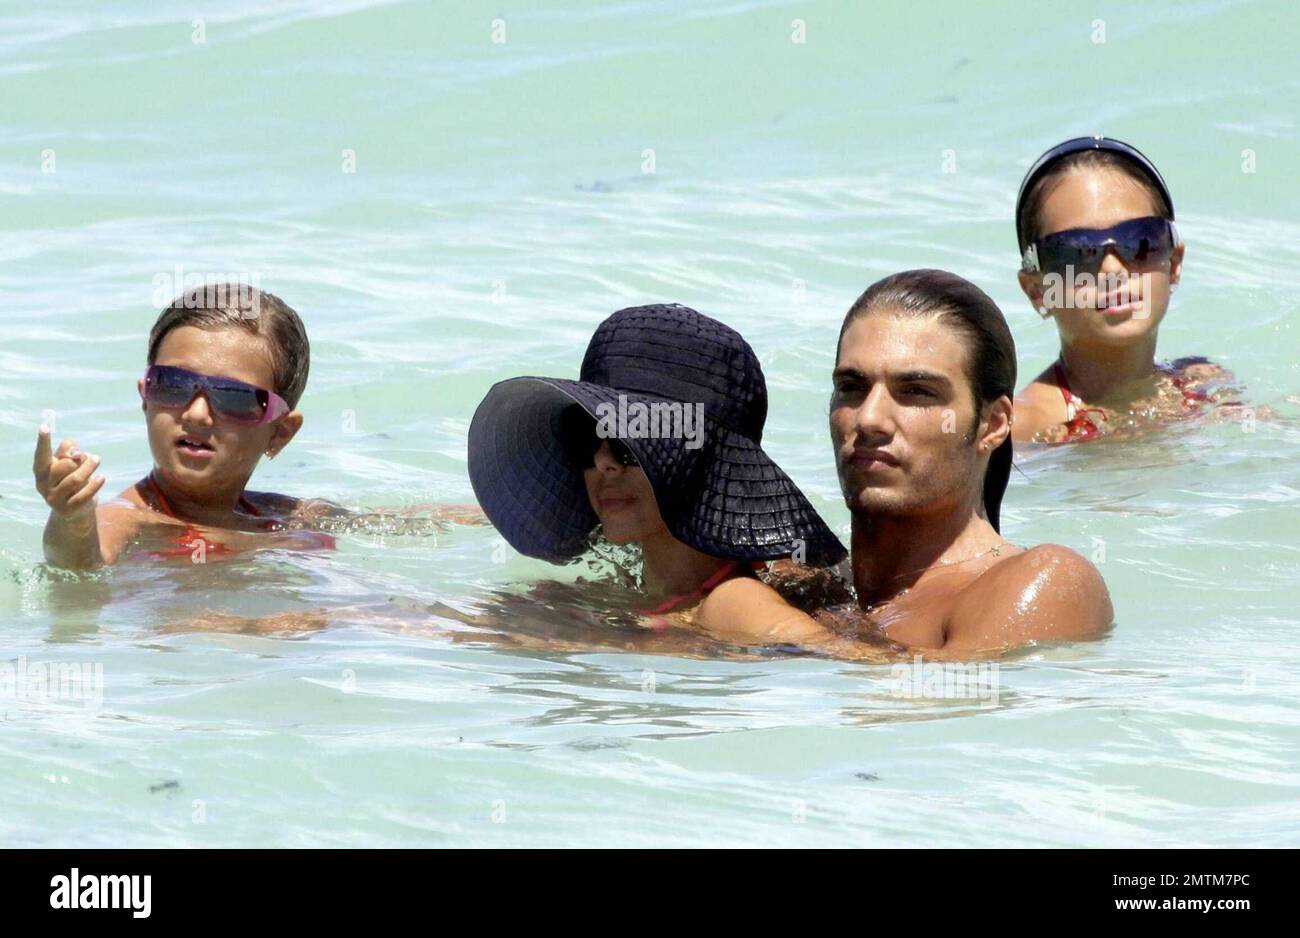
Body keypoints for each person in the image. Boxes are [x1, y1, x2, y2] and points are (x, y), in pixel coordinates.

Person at [702, 270, 1114, 654]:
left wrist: (782, 631)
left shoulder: (1043, 581)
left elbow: (940, 718)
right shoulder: (805, 586)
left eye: (916, 391)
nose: (869, 419)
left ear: (992, 424)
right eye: (852, 387)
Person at [466, 302, 848, 642]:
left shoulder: (732, 604)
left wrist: (643, 646)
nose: (603, 462)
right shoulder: (638, 586)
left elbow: (859, 666)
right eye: (585, 437)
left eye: (630, 441)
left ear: (702, 458)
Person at [33, 283, 339, 570]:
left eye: (234, 397)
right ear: (145, 397)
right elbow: (81, 562)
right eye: (173, 385)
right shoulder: (132, 520)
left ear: (280, 433)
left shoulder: (287, 516)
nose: (197, 414)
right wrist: (72, 519)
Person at [1010, 136, 1233, 444]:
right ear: (1037, 291)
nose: (1112, 271)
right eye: (1078, 251)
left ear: (1174, 264)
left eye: (1140, 242)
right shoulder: (1021, 431)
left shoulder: (1202, 383)